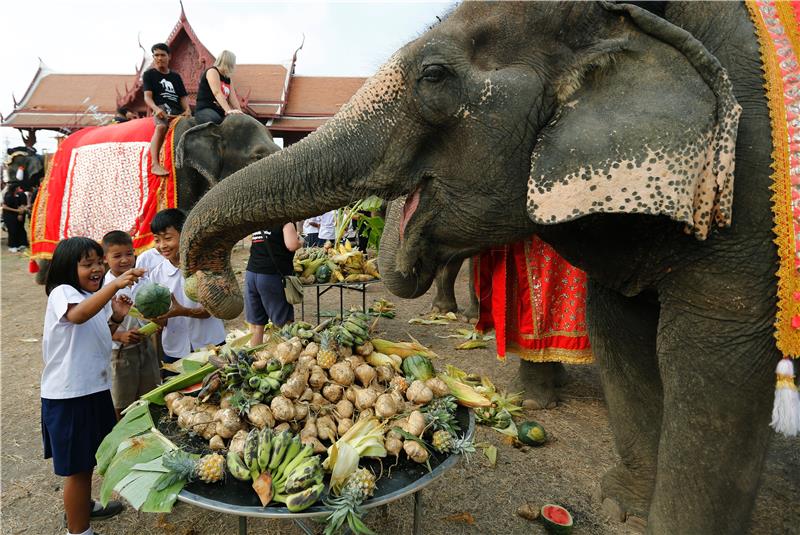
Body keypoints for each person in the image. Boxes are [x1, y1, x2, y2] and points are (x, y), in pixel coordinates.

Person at [41, 237, 144, 535]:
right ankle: (79, 531)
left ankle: (83, 508)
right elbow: (78, 316)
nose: (98, 269)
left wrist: (115, 318)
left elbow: (96, 334)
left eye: (99, 262)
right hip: (70, 396)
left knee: (89, 460)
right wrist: (115, 284)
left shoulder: (90, 298)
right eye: (88, 264)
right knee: (78, 469)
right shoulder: (63, 293)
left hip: (94, 390)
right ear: (67, 268)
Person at [146, 209, 225, 365]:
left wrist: (182, 312)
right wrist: (155, 318)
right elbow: (162, 320)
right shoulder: (156, 274)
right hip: (175, 351)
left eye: (167, 238)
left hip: (210, 345)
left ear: (185, 235)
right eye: (157, 240)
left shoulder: (206, 266)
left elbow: (211, 310)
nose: (162, 246)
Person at [102, 231, 161, 419]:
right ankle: (122, 434)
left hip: (145, 345)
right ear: (105, 258)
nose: (125, 260)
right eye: (117, 256)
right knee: (122, 400)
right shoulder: (105, 288)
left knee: (150, 393)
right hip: (120, 352)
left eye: (129, 254)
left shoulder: (142, 279)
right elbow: (100, 325)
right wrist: (120, 336)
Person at [245, 223, 302, 345]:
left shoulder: (262, 220)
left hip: (251, 274)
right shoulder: (285, 222)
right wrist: (300, 241)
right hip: (270, 276)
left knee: (256, 324)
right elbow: (292, 245)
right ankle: (286, 357)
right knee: (284, 324)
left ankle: (256, 358)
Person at [142, 43, 190, 176]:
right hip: (161, 108)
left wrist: (187, 110)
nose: (159, 58)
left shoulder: (175, 77)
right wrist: (156, 109)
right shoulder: (149, 75)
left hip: (177, 110)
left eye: (162, 55)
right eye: (156, 55)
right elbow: (147, 97)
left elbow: (183, 97)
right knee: (160, 128)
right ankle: (155, 164)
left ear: (169, 57)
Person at [195, 50, 244, 125]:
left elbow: (233, 98)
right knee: (216, 120)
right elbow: (217, 93)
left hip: (219, 111)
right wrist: (228, 111)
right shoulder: (212, 71)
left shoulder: (228, 78)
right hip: (206, 109)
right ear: (229, 62)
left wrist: (240, 113)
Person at [2, 178, 29, 252]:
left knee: (19, 228)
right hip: (9, 215)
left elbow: (22, 205)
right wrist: (17, 211)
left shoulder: (20, 194)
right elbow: (5, 206)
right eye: (18, 188)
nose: (19, 189)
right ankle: (12, 245)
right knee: (12, 230)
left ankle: (22, 244)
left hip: (17, 214)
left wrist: (20, 213)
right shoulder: (8, 195)